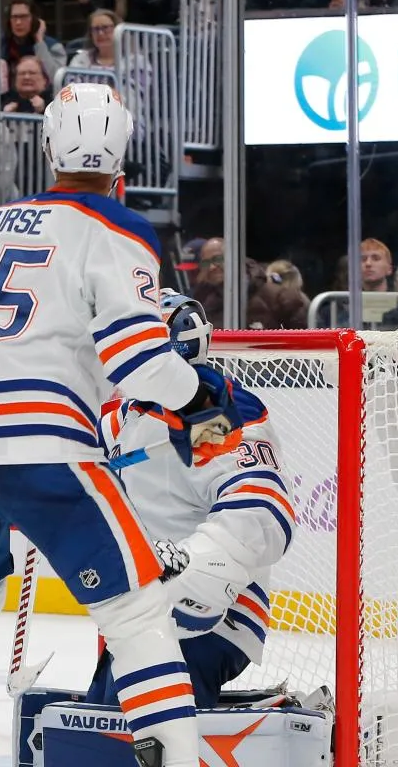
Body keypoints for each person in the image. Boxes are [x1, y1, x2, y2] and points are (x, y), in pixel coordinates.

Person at [0, 83, 245, 767]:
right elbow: (138, 362)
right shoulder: (119, 227)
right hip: (37, 445)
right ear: (123, 173)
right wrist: (198, 402)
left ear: (47, 152)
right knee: (137, 612)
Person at [86, 290, 293, 710]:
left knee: (134, 737)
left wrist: (187, 566)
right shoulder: (129, 411)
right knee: (96, 731)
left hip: (214, 616)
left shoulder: (221, 414)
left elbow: (263, 515)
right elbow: (65, 458)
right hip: (143, 615)